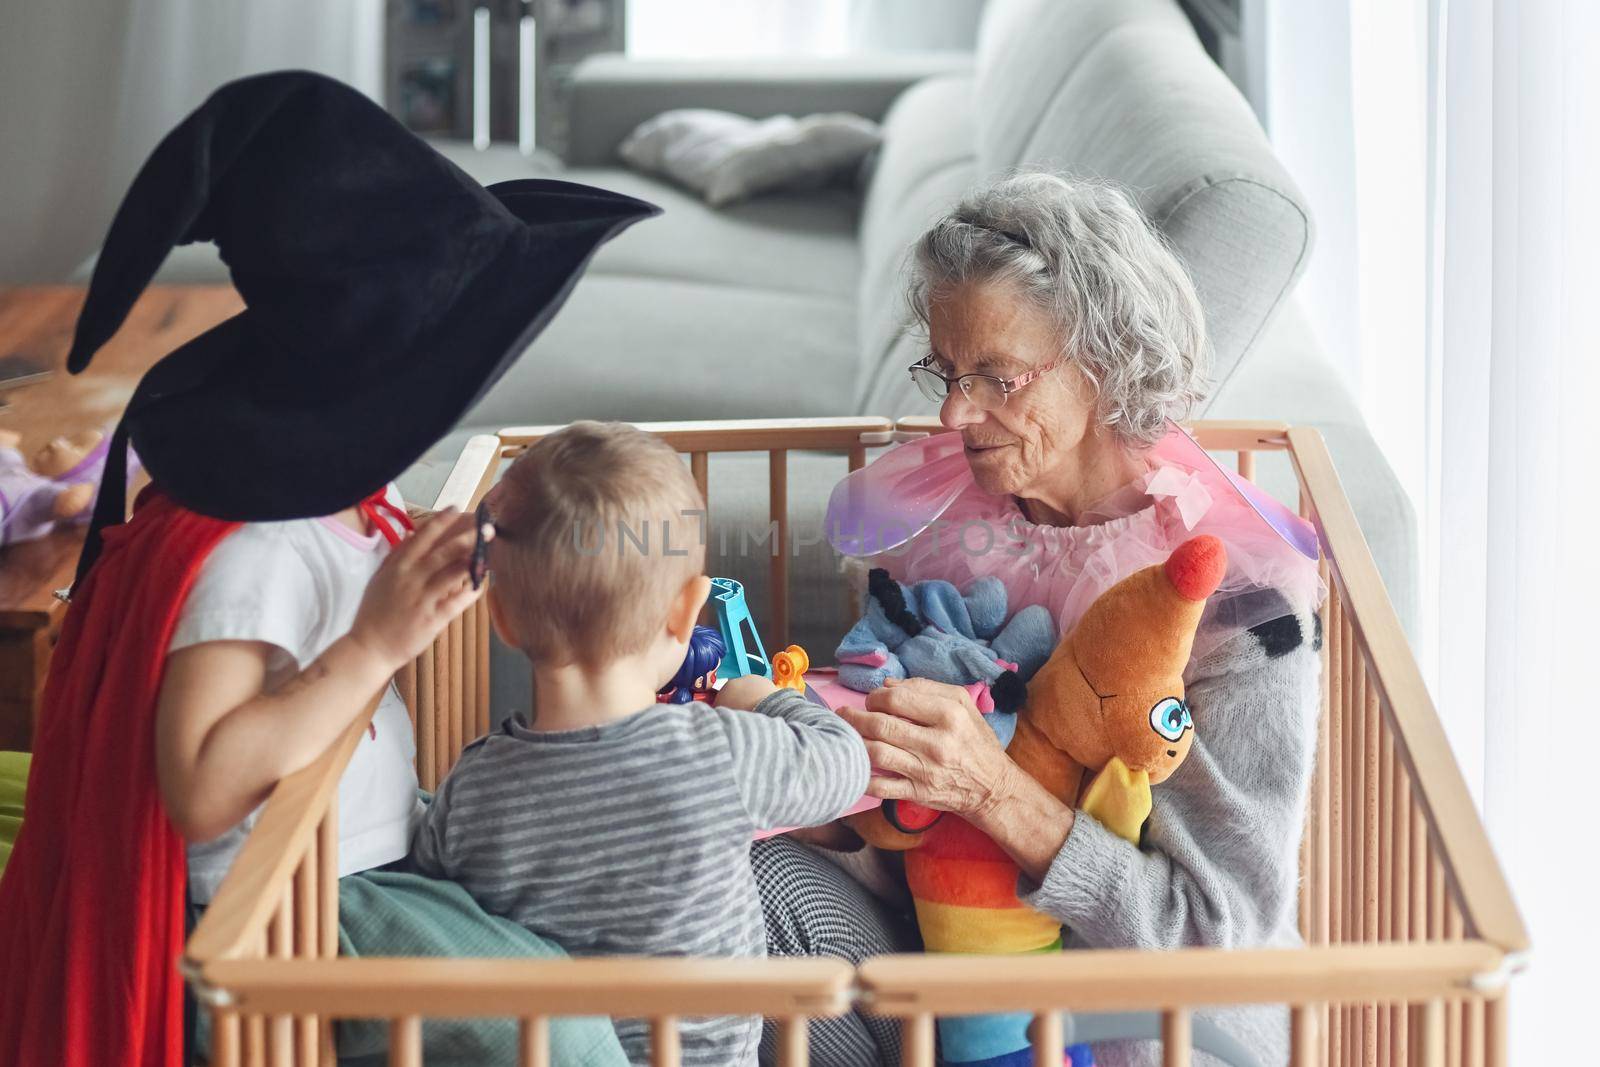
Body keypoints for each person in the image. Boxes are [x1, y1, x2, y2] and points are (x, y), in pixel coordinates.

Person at [0, 71, 657, 1067]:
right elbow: (200, 787)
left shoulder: (344, 505)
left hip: (370, 865)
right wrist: (373, 642)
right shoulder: (252, 547)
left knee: (570, 971)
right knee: (554, 1034)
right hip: (302, 915)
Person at [753, 173, 1324, 1067]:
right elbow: (894, 836)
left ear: (1107, 360)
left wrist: (993, 793)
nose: (953, 413)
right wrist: (814, 783)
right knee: (736, 879)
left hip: (1134, 1021)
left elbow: (1215, 942)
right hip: (942, 966)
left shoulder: (1238, 600)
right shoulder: (939, 530)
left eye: (996, 377)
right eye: (947, 372)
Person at [410, 421, 872, 1066]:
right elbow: (847, 766)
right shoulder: (720, 754)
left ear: (502, 619)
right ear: (687, 611)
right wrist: (764, 698)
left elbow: (440, 913)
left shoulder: (472, 787)